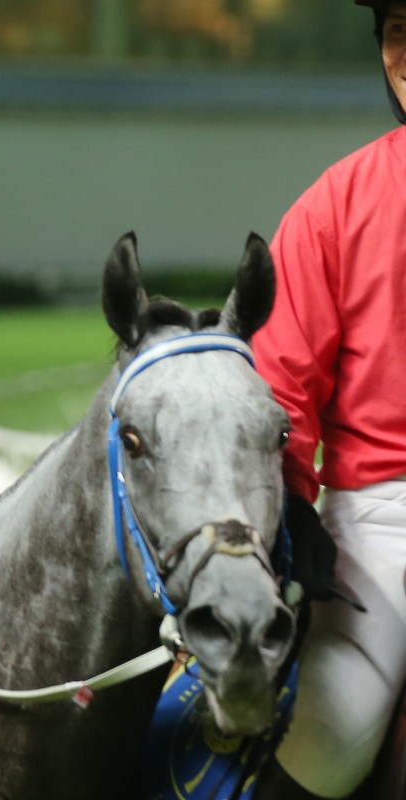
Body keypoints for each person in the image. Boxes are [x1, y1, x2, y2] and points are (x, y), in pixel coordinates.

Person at [251, 1, 406, 797]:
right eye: (397, 32)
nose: (405, 56)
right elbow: (278, 393)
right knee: (325, 742)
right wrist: (288, 519)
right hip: (381, 524)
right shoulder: (337, 202)